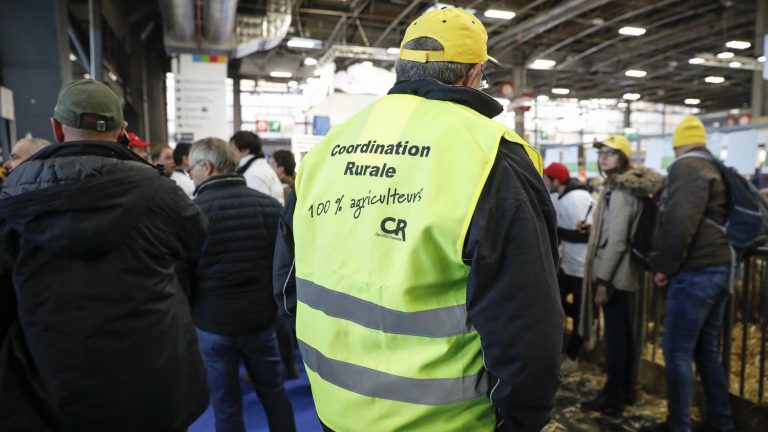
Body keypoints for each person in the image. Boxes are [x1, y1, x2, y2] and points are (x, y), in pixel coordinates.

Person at [273, 7, 563, 432]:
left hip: (335, 407)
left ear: (400, 69)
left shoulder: (328, 149)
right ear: (474, 73)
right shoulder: (489, 155)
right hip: (446, 420)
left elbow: (286, 281)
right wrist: (524, 417)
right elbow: (525, 316)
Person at [0, 79, 209, 431]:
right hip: (150, 375)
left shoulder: (14, 197)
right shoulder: (159, 192)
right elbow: (195, 240)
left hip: (51, 379)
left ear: (57, 128)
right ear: (123, 130)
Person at [187, 137, 295, 432]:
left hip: (213, 324)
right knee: (274, 394)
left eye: (191, 170)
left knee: (225, 405)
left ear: (206, 167)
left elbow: (184, 275)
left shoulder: (191, 212)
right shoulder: (269, 207)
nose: (190, 176)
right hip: (260, 321)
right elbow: (282, 267)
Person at [646, 116, 734, 432]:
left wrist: (663, 267)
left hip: (696, 271)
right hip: (720, 267)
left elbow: (679, 223)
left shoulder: (687, 167)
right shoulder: (713, 166)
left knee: (676, 349)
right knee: (705, 350)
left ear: (677, 144)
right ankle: (721, 421)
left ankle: (678, 424)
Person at [580, 135, 662, 417]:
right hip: (622, 273)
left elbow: (617, 240)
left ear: (623, 158)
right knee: (624, 336)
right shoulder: (619, 188)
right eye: (602, 152)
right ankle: (625, 390)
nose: (604, 157)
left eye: (612, 153)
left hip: (616, 276)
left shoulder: (621, 191)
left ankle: (612, 397)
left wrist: (603, 281)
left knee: (617, 339)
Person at [543, 162, 595, 374]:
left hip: (582, 267)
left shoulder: (577, 198)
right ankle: (589, 322)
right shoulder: (559, 197)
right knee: (557, 305)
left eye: (547, 179)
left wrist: (558, 233)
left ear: (556, 181)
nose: (544, 183)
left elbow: (587, 233)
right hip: (568, 264)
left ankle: (574, 356)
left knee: (581, 314)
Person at [230, 131, 284, 204]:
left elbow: (258, 207)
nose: (231, 153)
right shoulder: (259, 168)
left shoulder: (254, 174)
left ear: (245, 150)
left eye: (233, 149)